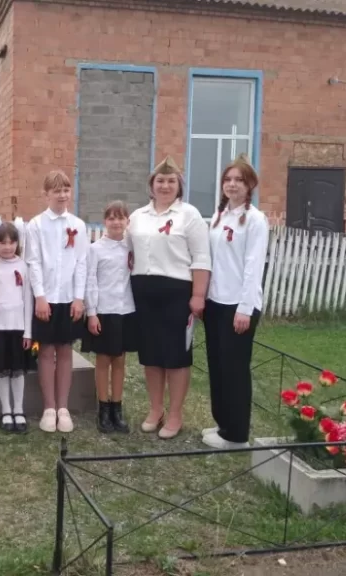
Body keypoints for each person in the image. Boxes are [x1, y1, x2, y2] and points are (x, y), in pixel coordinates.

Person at [128, 156, 211, 439]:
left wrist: (198, 295)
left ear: (179, 186)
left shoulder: (189, 215)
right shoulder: (138, 216)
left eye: (171, 181)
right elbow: (126, 251)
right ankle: (156, 409)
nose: (165, 186)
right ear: (151, 185)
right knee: (151, 355)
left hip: (177, 293)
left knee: (176, 357)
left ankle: (175, 414)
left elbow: (201, 257)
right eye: (160, 181)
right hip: (143, 292)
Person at [202, 154, 269, 449]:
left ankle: (237, 434)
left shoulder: (255, 220)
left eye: (239, 180)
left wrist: (245, 308)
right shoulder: (219, 217)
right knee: (217, 366)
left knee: (234, 369)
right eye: (228, 180)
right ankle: (223, 424)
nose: (232, 184)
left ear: (249, 185)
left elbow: (253, 266)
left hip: (238, 305)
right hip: (216, 302)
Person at [25, 169, 88, 433]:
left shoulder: (78, 225)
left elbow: (81, 262)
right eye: (57, 191)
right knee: (46, 351)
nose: (62, 195)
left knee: (65, 351)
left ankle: (63, 408)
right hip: (46, 299)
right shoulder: (36, 225)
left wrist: (79, 298)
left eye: (66, 190)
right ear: (46, 194)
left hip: (69, 299)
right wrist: (40, 296)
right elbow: (33, 262)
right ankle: (49, 408)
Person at [81, 201, 137, 433]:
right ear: (105, 221)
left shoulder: (131, 246)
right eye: (111, 218)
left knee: (120, 360)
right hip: (104, 311)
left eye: (120, 218)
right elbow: (90, 280)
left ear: (127, 221)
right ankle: (103, 408)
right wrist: (92, 313)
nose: (116, 222)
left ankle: (117, 408)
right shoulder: (96, 249)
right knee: (103, 360)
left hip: (125, 310)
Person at [0, 215, 35, 433]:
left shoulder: (23, 266)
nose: (7, 247)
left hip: (19, 329)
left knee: (18, 371)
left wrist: (28, 332)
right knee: (1, 370)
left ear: (17, 243)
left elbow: (28, 300)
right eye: (2, 242)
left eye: (12, 242)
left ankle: (18, 409)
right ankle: (6, 410)